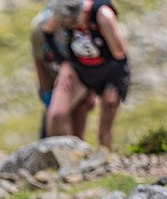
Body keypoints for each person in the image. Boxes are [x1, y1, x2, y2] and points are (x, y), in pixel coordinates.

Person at [43, 0, 131, 151]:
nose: (74, 28)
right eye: (68, 26)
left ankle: (107, 164)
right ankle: (63, 161)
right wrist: (63, 62)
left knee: (104, 130)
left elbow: (120, 55)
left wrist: (114, 86)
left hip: (109, 71)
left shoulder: (103, 15)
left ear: (82, 11)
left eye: (75, 23)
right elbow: (48, 32)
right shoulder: (61, 10)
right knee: (56, 115)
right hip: (78, 69)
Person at [30, 5, 96, 139]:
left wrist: (91, 90)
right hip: (52, 81)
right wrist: (48, 93)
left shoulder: (81, 23)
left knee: (77, 127)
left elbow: (88, 59)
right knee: (55, 121)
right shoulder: (39, 29)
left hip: (77, 81)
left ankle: (77, 154)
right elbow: (39, 63)